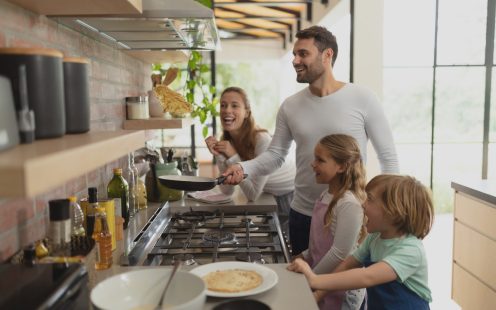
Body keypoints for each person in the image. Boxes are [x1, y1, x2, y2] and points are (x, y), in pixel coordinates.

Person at [221, 25, 399, 255]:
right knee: (302, 285)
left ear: (327, 55)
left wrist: (388, 206)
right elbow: (275, 155)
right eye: (294, 54)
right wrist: (242, 167)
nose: (295, 60)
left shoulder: (363, 98)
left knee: (348, 288)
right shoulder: (290, 106)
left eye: (303, 53)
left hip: (351, 215)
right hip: (303, 213)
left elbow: (388, 157)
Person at [288, 174, 434, 310]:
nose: (363, 204)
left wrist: (314, 279)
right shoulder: (374, 238)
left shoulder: (411, 250)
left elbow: (367, 277)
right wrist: (318, 294)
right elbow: (346, 265)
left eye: (370, 199)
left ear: (394, 212)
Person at [205, 86, 295, 234]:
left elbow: (252, 194)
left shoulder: (262, 140)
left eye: (234, 105)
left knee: (287, 248)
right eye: (223, 105)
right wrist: (220, 155)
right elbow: (227, 190)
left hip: (289, 196)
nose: (227, 110)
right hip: (269, 194)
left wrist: (233, 156)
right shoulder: (228, 141)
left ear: (246, 112)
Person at [298, 134, 367, 310]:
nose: (313, 164)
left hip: (341, 288)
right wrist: (304, 256)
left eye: (320, 160)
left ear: (342, 166)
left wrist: (312, 277)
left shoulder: (348, 203)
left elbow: (340, 253)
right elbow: (320, 242)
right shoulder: (325, 195)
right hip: (323, 279)